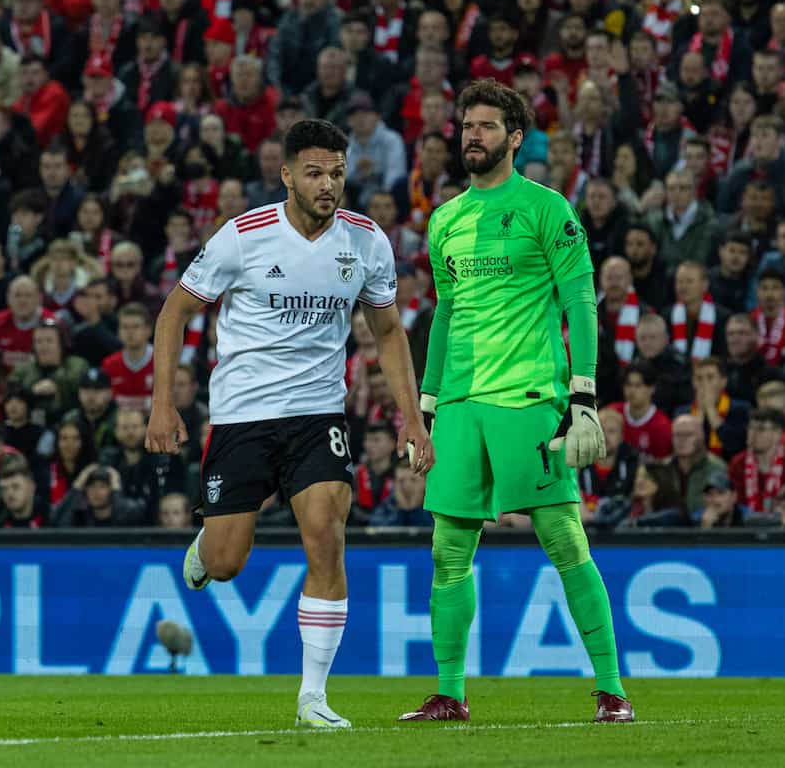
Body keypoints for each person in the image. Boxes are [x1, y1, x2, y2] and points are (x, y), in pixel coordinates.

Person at [145, 119, 431, 729]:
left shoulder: (366, 241)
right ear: (286, 175)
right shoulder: (243, 237)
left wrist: (412, 417)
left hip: (318, 414)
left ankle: (313, 698)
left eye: (337, 173)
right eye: (315, 173)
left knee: (326, 533)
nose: (328, 185)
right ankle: (205, 546)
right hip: (243, 416)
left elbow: (386, 331)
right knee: (225, 563)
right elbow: (175, 311)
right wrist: (162, 402)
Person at [395, 80, 630, 724]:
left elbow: (580, 300)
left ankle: (612, 689)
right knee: (447, 550)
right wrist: (426, 407)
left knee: (562, 538)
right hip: (462, 405)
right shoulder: (445, 219)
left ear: (516, 136)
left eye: (488, 127)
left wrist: (582, 394)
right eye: (467, 126)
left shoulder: (547, 209)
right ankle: (450, 693)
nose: (474, 135)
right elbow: (443, 317)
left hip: (528, 398)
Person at [729, 407, 785, 514]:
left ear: (777, 434)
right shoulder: (738, 463)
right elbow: (735, 503)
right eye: (750, 428)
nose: (753, 434)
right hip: (745, 526)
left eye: (761, 429)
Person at [609, 362, 672, 460]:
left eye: (638, 385)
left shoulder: (662, 426)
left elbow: (662, 466)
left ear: (652, 388)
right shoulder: (612, 413)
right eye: (628, 385)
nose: (632, 390)